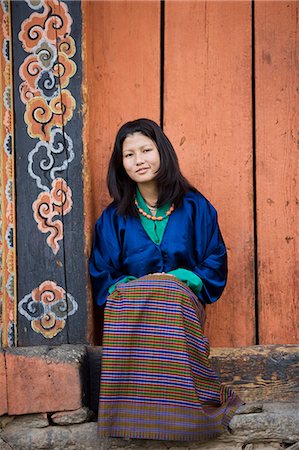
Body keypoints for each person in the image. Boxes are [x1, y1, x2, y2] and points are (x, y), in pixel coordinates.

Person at [89, 118, 243, 441]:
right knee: (149, 294)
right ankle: (133, 417)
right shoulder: (112, 219)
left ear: (163, 152)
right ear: (121, 163)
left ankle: (186, 412)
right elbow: (103, 274)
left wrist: (178, 279)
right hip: (134, 314)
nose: (138, 160)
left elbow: (214, 261)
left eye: (146, 150)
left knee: (169, 292)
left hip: (180, 308)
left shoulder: (195, 207)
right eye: (129, 155)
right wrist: (143, 287)